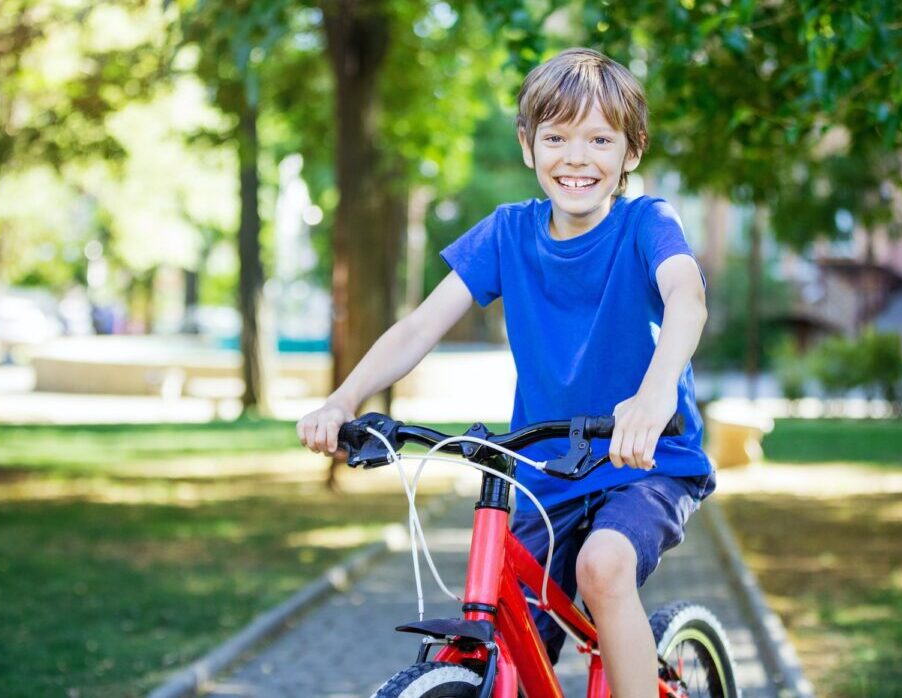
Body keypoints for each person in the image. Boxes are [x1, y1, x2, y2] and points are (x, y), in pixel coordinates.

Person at [297, 47, 713, 697]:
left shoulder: (645, 224)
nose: (577, 158)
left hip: (646, 460)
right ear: (528, 146)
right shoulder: (507, 234)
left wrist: (655, 394)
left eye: (600, 139)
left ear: (631, 153)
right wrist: (343, 399)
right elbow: (418, 327)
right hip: (547, 471)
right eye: (557, 138)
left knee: (604, 568)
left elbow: (687, 296)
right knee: (502, 629)